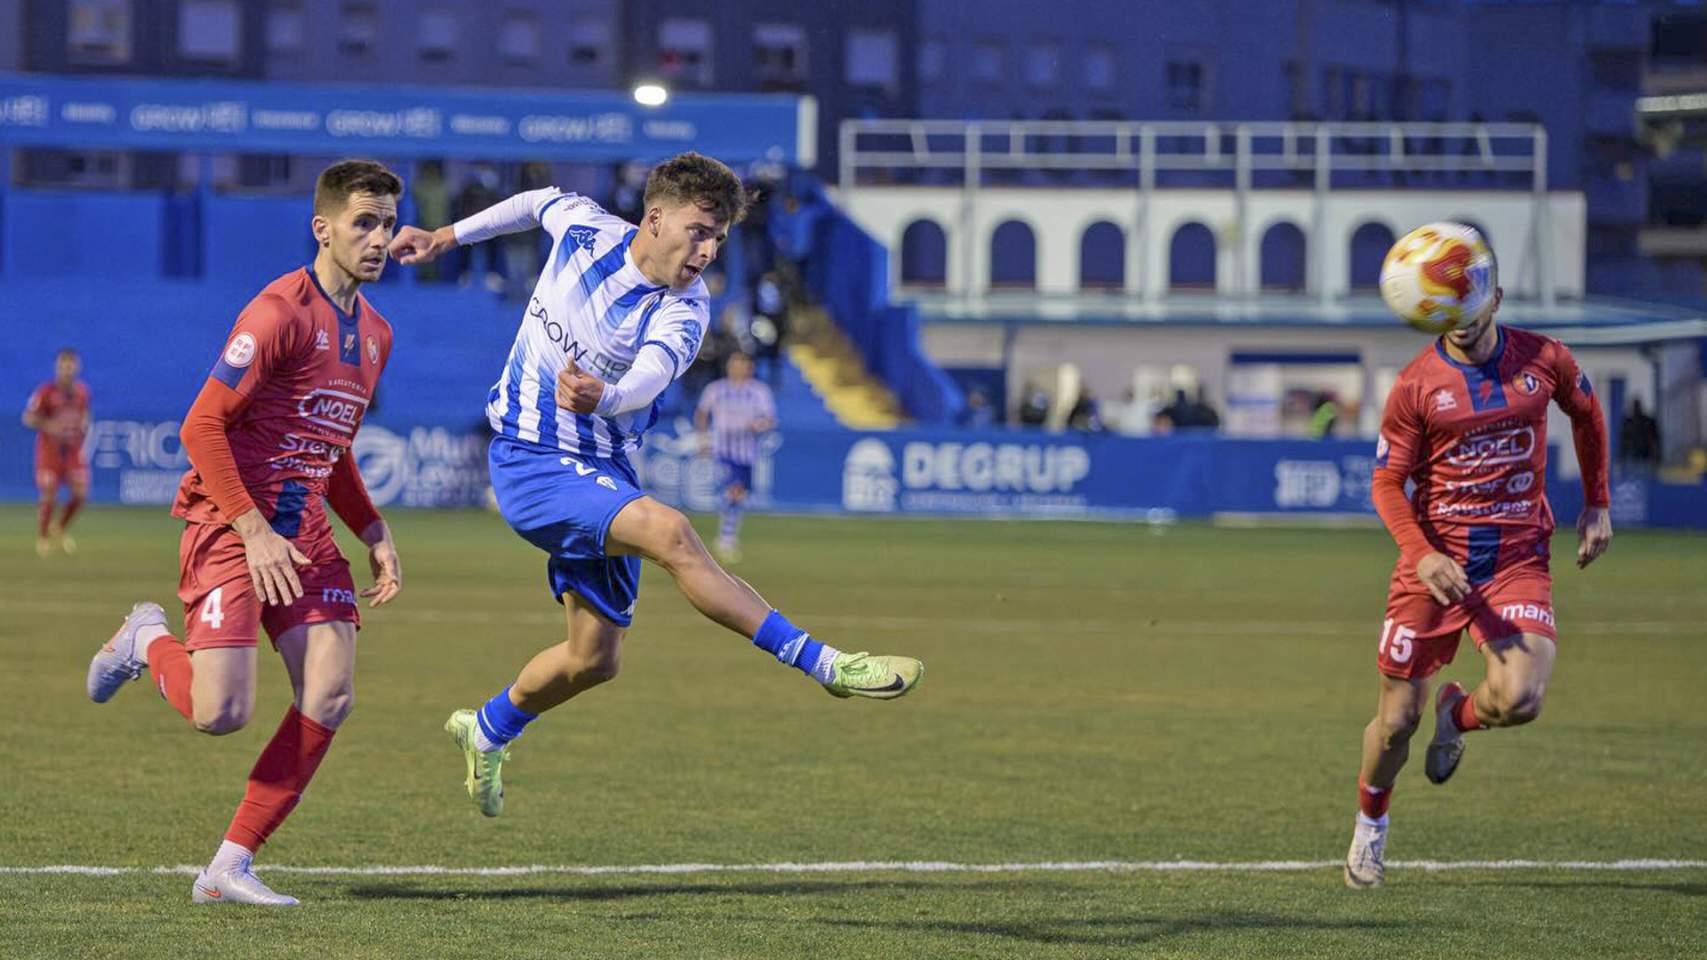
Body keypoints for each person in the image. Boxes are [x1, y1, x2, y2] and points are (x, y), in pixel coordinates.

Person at [388, 151, 923, 819]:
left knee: (593, 659)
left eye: (718, 238)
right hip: (530, 459)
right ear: (655, 218)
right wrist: (446, 236)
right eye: (698, 231)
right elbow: (534, 201)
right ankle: (827, 665)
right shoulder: (586, 228)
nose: (708, 251)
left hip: (601, 470)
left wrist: (606, 396)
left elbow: (649, 378)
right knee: (672, 532)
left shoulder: (685, 309)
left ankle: (489, 727)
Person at [83, 160, 406, 906]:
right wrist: (253, 529)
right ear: (322, 228)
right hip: (233, 524)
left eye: (388, 224)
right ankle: (144, 639)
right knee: (220, 714)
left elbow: (332, 447)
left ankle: (227, 868)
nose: (380, 239)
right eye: (364, 223)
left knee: (330, 693)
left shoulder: (377, 334)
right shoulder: (277, 314)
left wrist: (372, 528)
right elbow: (200, 425)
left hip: (304, 532)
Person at [1344, 243, 1611, 889]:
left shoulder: (1544, 358)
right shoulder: (1415, 386)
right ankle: (1370, 826)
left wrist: (1597, 501)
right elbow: (1386, 483)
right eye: (1445, 312)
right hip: (1436, 566)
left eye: (1468, 307)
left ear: (1495, 300)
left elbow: (1587, 416)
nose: (1458, 322)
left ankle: (1457, 715)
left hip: (1516, 557)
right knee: (1396, 722)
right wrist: (1422, 553)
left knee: (1520, 698)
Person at [695, 352, 776, 563]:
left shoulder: (758, 391)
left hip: (746, 452)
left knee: (739, 495)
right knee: (734, 489)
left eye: (743, 365)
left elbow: (770, 419)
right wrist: (702, 439)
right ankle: (726, 539)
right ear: (729, 367)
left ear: (750, 368)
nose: (738, 369)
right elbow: (702, 413)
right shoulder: (716, 389)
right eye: (735, 365)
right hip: (722, 450)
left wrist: (758, 425)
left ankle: (728, 534)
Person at [21, 347, 91, 556]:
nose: (67, 370)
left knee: (81, 493)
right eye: (63, 366)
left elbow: (85, 415)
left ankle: (59, 527)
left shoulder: (82, 392)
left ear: (77, 367)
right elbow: (28, 418)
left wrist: (83, 425)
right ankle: (43, 537)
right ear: (57, 368)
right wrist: (48, 425)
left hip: (73, 449)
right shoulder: (46, 392)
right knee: (49, 493)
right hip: (49, 450)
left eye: (71, 366)